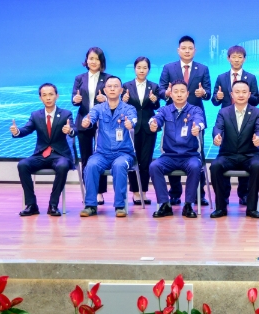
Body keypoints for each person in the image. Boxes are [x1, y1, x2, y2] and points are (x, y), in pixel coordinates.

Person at [159, 35, 211, 206]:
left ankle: (199, 194)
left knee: (198, 157)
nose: (187, 51)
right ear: (178, 50)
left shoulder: (202, 68)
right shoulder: (169, 68)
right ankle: (174, 194)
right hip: (173, 117)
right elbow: (161, 90)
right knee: (172, 152)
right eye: (184, 48)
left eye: (190, 48)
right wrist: (167, 93)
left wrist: (203, 93)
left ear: (195, 50)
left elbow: (208, 93)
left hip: (195, 117)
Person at [11, 83, 76, 217]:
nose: (48, 98)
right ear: (40, 98)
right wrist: (17, 131)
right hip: (41, 155)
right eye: (44, 95)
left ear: (57, 96)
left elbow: (74, 130)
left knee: (63, 165)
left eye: (51, 94)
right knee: (23, 165)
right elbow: (26, 129)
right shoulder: (36, 115)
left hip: (59, 155)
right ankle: (31, 205)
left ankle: (53, 205)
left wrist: (70, 130)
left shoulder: (65, 114)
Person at [79, 76, 137, 218]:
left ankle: (120, 206)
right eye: (109, 86)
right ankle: (90, 205)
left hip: (123, 153)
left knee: (119, 166)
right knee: (91, 165)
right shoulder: (98, 108)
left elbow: (133, 119)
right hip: (102, 154)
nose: (112, 89)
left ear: (121, 90)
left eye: (115, 86)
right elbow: (90, 117)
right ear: (104, 90)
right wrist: (87, 122)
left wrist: (131, 123)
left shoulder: (129, 108)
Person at [148, 81, 206, 219]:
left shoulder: (195, 110)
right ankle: (165, 204)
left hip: (190, 156)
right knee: (154, 166)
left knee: (195, 166)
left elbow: (200, 121)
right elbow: (156, 119)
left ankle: (188, 204)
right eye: (176, 91)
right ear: (171, 94)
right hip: (169, 156)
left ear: (187, 94)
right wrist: (153, 123)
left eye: (182, 91)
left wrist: (198, 127)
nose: (179, 94)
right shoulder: (165, 110)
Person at [211, 45, 259, 206]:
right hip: (227, 121)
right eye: (234, 56)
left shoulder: (251, 77)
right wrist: (218, 97)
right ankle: (223, 197)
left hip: (246, 120)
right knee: (224, 158)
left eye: (240, 57)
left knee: (247, 155)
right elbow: (214, 100)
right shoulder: (221, 77)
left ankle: (244, 195)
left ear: (244, 59)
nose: (237, 60)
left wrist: (246, 97)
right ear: (228, 58)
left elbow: (255, 99)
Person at [210, 80, 259, 219]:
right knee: (215, 166)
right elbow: (218, 127)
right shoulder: (223, 112)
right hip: (228, 155)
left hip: (249, 155)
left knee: (257, 166)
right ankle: (221, 207)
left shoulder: (257, 112)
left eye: (244, 92)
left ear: (249, 94)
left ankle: (251, 208)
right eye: (237, 92)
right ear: (232, 94)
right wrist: (217, 136)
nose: (241, 95)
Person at [72, 47, 110, 205]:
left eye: (97, 59)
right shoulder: (79, 78)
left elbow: (115, 99)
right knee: (86, 158)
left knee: (101, 157)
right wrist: (75, 100)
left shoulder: (108, 78)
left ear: (101, 61)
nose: (93, 61)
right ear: (86, 60)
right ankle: (89, 191)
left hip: (103, 123)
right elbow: (74, 99)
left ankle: (100, 192)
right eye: (91, 58)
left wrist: (105, 100)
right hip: (84, 122)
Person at [122, 57, 162, 205]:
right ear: (134, 69)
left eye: (145, 68)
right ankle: (135, 192)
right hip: (131, 128)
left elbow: (157, 107)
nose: (141, 70)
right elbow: (122, 107)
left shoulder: (154, 86)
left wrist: (154, 100)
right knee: (133, 160)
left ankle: (143, 192)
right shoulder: (126, 86)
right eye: (139, 67)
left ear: (149, 70)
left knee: (146, 161)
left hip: (148, 127)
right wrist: (123, 100)